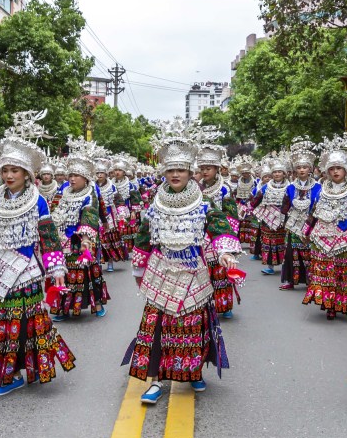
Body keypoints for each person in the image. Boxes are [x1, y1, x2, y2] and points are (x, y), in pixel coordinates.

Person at [0, 112, 75, 396]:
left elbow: (49, 238)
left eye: (15, 171)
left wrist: (56, 272)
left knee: (21, 325)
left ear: (27, 174)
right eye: (5, 170)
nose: (8, 176)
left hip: (25, 271)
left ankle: (18, 369)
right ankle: (5, 369)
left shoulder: (39, 202)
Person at [123, 124, 240, 404]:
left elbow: (219, 225)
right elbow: (144, 234)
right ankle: (156, 380)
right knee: (157, 329)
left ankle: (193, 371)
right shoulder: (156, 202)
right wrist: (139, 267)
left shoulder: (205, 201)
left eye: (181, 170)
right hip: (162, 271)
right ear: (164, 173)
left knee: (192, 327)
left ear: (191, 173)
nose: (175, 174)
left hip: (194, 273)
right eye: (170, 170)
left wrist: (225, 252)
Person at [302, 136, 347, 320]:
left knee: (344, 273)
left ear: (346, 170)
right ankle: (329, 304)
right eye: (331, 169)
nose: (335, 172)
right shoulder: (319, 191)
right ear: (326, 171)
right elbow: (312, 213)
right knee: (325, 273)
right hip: (320, 238)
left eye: (338, 168)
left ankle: (345, 303)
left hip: (345, 240)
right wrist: (306, 232)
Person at [50, 141, 107, 319]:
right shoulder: (63, 192)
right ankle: (63, 308)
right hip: (64, 240)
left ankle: (97, 304)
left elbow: (89, 216)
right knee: (63, 273)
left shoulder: (90, 195)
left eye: (76, 175)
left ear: (85, 178)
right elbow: (54, 211)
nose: (72, 179)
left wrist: (85, 240)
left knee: (89, 273)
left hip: (83, 241)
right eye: (70, 175)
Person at [197, 141, 240, 319]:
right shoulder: (195, 188)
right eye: (203, 168)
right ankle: (204, 306)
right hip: (200, 235)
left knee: (221, 270)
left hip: (219, 234)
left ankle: (224, 305)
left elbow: (231, 216)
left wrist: (230, 243)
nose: (205, 171)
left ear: (217, 168)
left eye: (209, 168)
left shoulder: (225, 189)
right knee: (203, 272)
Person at [280, 137, 317, 292]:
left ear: (310, 169)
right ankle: (290, 280)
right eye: (299, 167)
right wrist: (283, 222)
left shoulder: (319, 188)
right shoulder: (289, 188)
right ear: (295, 170)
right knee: (291, 253)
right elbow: (284, 207)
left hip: (312, 226)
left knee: (311, 254)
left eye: (305, 167)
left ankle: (311, 281)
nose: (302, 170)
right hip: (293, 226)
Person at [251, 154, 289, 276]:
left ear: (284, 174)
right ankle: (270, 266)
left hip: (284, 220)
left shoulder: (290, 187)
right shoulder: (266, 187)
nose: (277, 174)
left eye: (280, 172)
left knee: (283, 243)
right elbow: (256, 199)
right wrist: (248, 207)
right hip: (267, 219)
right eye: (275, 172)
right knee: (268, 242)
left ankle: (285, 266)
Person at [95, 156, 126, 271]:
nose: (99, 175)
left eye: (102, 173)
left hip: (109, 216)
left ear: (106, 174)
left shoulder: (112, 187)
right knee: (97, 241)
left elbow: (119, 200)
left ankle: (110, 263)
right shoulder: (91, 186)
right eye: (97, 173)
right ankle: (97, 262)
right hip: (95, 215)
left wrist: (121, 213)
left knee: (109, 240)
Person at [231, 156, 258, 249]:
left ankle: (251, 241)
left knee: (250, 223)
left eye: (247, 173)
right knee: (240, 222)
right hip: (241, 203)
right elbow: (236, 191)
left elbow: (255, 192)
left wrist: (250, 202)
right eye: (243, 173)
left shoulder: (254, 181)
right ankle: (239, 240)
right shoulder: (239, 180)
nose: (245, 174)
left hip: (250, 204)